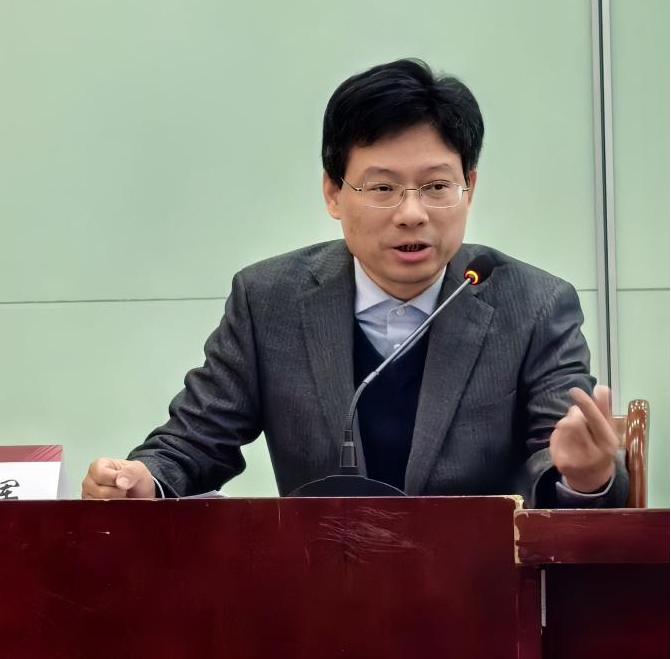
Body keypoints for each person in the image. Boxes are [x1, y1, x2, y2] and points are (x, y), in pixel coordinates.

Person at [82, 58, 627, 508]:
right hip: (318, 589)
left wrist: (584, 476)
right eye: (383, 188)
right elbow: (195, 442)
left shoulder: (533, 305)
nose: (412, 213)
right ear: (333, 194)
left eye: (437, 186)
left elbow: (564, 460)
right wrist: (142, 480)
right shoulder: (269, 301)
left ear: (469, 188)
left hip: (478, 593)